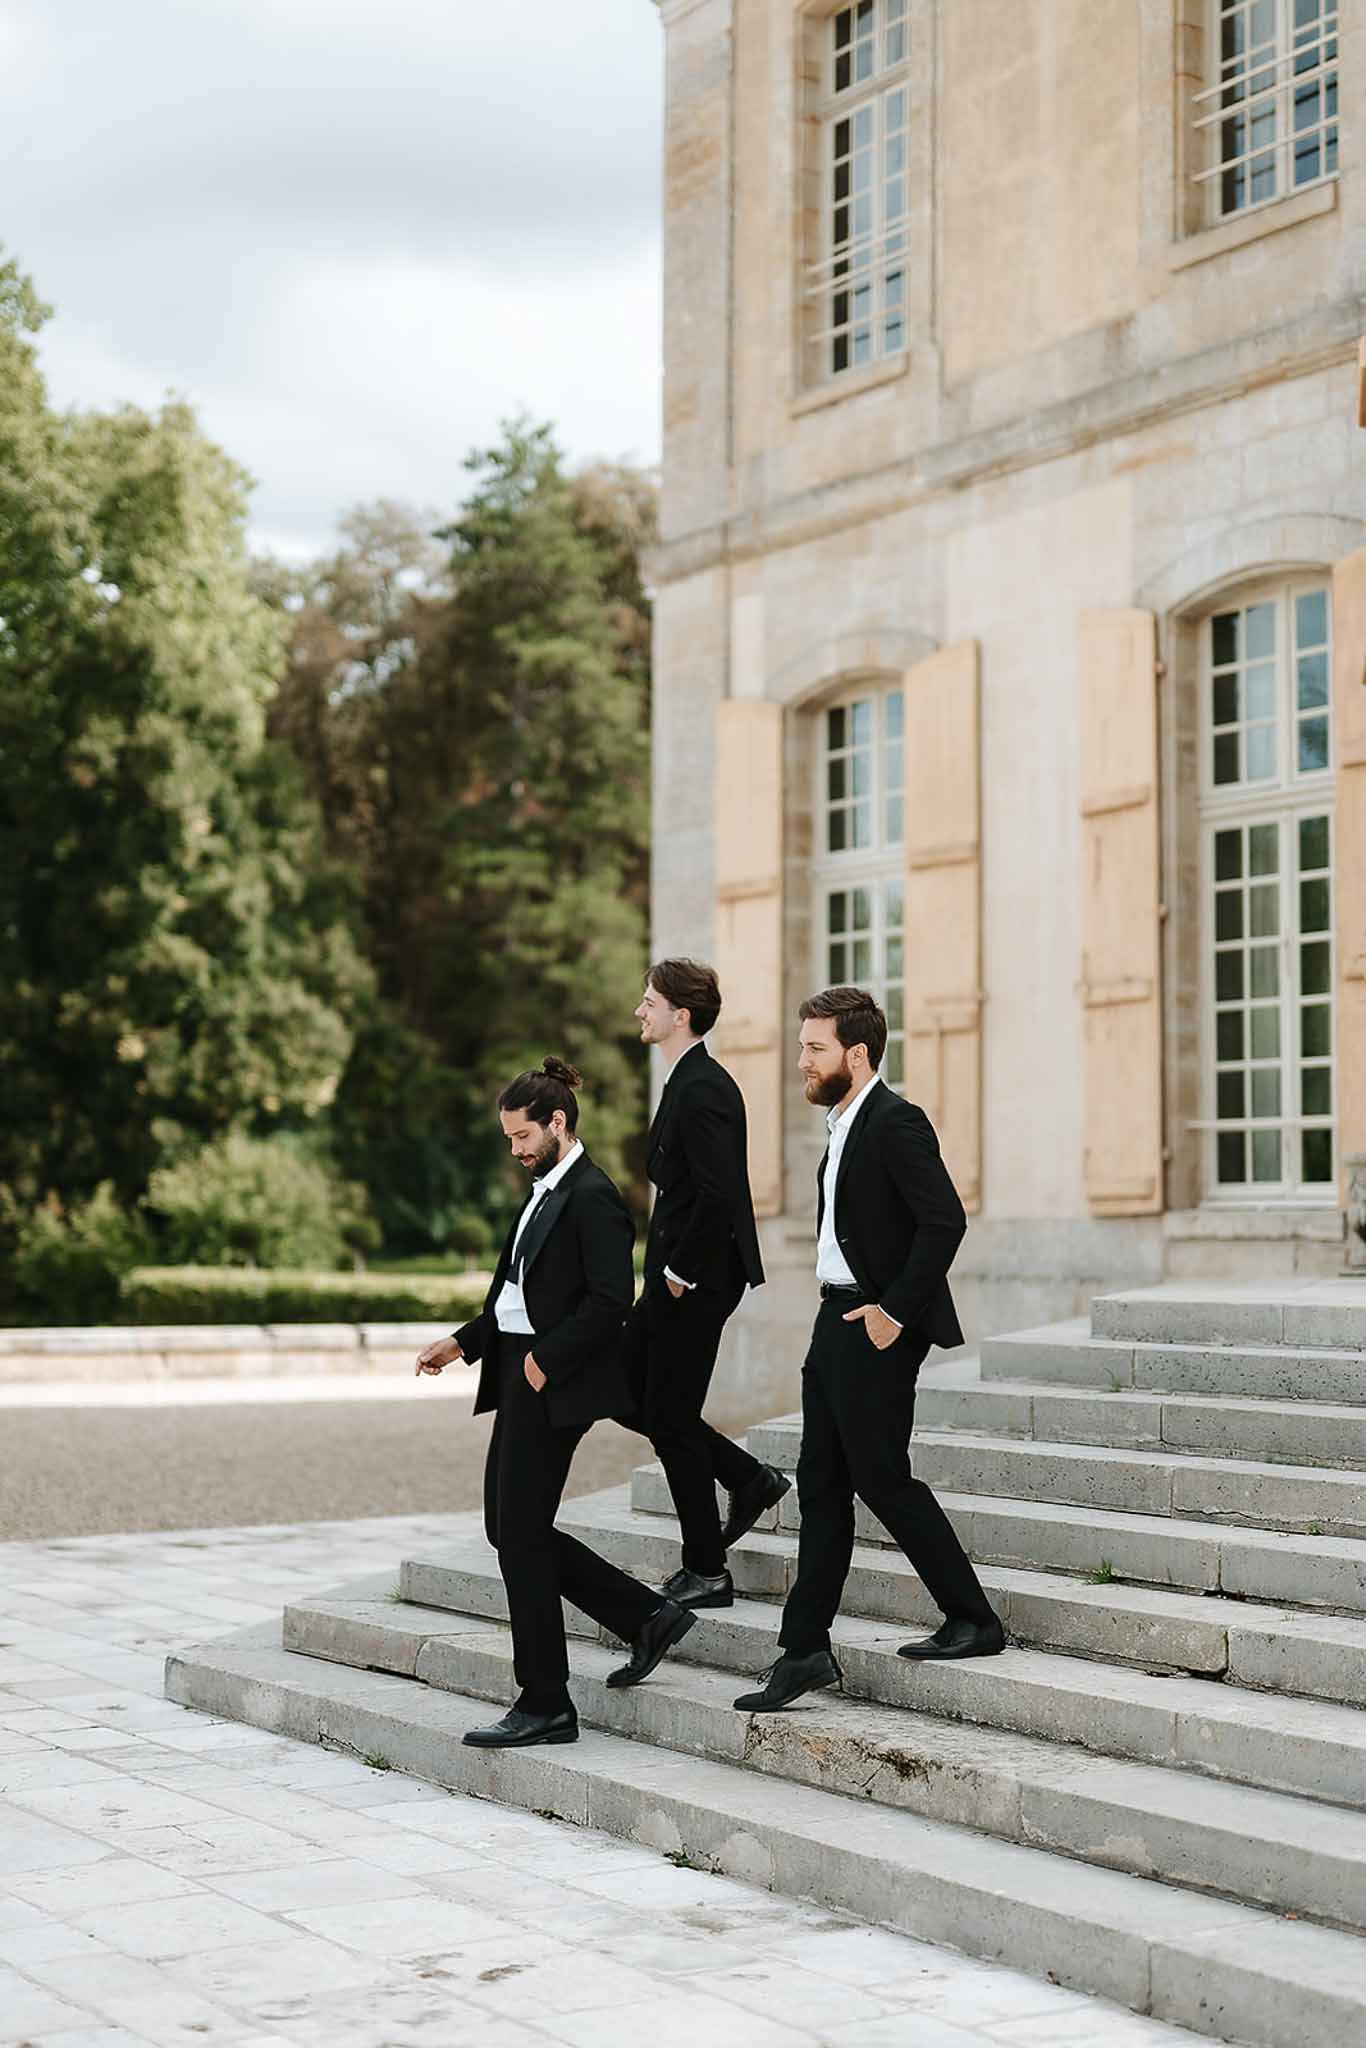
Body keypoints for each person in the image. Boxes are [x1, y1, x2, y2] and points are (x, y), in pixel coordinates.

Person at [733, 988, 1005, 1715]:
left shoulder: (895, 1121)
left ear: (857, 1054)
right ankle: (806, 1649)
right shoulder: (843, 1124)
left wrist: (892, 1313)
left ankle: (973, 1619)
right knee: (821, 1483)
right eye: (802, 1046)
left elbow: (943, 1221)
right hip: (837, 1321)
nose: (802, 1060)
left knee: (881, 1478)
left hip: (873, 1324)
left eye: (815, 1048)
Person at [416, 1058, 697, 1749]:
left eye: (521, 1136)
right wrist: (463, 1342)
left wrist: (543, 1363)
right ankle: (645, 1618)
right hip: (520, 1370)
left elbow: (610, 1303)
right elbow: (515, 1298)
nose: (514, 1150)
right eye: (509, 1138)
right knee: (510, 1528)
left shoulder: (594, 1196)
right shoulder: (544, 1190)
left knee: (517, 1534)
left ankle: (546, 1701)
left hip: (552, 1381)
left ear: (558, 1123)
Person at [625, 959, 789, 1607]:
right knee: (624, 1386)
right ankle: (747, 1478)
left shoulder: (704, 1088)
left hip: (696, 1279)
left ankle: (707, 1569)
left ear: (679, 1014)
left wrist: (676, 1274)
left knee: (667, 1415)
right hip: (676, 1276)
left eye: (649, 1002)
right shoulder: (685, 1079)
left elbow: (718, 1195)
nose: (640, 1011)